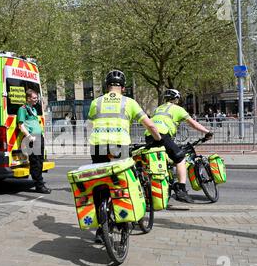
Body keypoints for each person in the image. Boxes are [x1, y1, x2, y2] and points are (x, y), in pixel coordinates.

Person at [88, 69, 161, 243]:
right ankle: (124, 219)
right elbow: (149, 124)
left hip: (97, 145)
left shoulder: (96, 102)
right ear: (123, 87)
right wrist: (158, 138)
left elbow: (89, 126)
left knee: (100, 184)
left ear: (107, 86)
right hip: (120, 146)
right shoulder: (129, 102)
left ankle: (101, 228)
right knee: (122, 182)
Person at [145, 89, 213, 203]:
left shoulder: (158, 109)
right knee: (180, 158)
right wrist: (207, 132)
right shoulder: (178, 109)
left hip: (149, 135)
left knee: (163, 158)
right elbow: (193, 123)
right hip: (162, 134)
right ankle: (181, 189)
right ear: (176, 98)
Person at [17, 89, 51, 194]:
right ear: (28, 98)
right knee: (35, 162)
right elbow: (21, 125)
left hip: (39, 137)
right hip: (32, 139)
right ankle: (39, 185)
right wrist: (29, 136)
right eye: (34, 98)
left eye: (36, 97)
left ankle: (39, 183)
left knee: (40, 161)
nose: (36, 99)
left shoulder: (34, 109)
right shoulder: (22, 109)